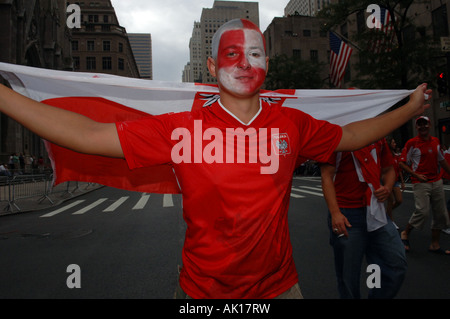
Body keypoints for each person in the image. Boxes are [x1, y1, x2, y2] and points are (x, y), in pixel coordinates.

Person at [0, 19, 432, 298]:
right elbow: (88, 134)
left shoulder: (292, 124)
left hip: (280, 289)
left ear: (267, 63)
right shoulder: (181, 128)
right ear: (210, 65)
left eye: (256, 53)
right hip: (202, 295)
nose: (245, 62)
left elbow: (352, 135)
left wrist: (410, 109)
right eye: (232, 53)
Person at [320, 139, 407, 298]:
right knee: (348, 277)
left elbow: (388, 169)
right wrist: (335, 213)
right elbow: (326, 175)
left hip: (376, 212)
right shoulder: (337, 135)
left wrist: (387, 187)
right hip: (347, 214)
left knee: (396, 264)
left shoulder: (378, 136)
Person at [400, 116, 450, 256]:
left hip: (437, 182)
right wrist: (415, 175)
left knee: (440, 213)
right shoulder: (412, 143)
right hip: (420, 183)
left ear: (429, 125)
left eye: (425, 124)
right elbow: (402, 162)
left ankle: (435, 244)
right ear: (416, 127)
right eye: (419, 125)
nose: (423, 127)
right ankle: (405, 233)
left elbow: (442, 161)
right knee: (422, 211)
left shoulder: (436, 141)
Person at [386, 137, 405, 228]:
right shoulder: (385, 155)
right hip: (388, 181)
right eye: (393, 142)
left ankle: (386, 213)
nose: (395, 144)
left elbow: (399, 170)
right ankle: (390, 220)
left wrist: (402, 182)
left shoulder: (396, 155)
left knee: (399, 200)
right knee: (390, 200)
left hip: (396, 181)